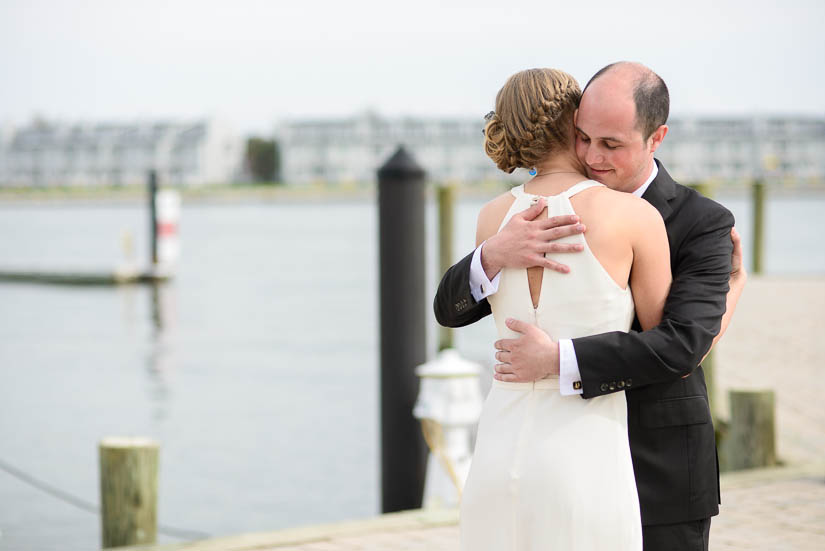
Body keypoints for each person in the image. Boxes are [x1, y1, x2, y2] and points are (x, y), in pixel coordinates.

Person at [435, 62, 745, 551]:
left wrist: (559, 359)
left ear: (655, 138)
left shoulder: (703, 222)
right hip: (572, 451)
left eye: (611, 144)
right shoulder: (524, 225)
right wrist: (493, 254)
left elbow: (681, 344)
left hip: (658, 469)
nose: (594, 156)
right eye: (583, 137)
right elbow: (449, 308)